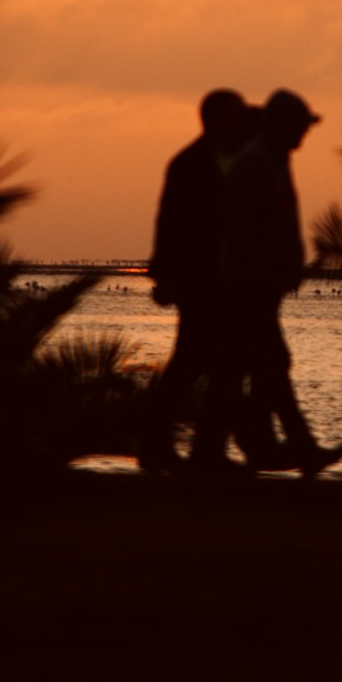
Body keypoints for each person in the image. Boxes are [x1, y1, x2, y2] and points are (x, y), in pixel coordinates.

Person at [219, 89, 342, 476]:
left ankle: (262, 446)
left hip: (261, 286)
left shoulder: (272, 161)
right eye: (298, 126)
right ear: (282, 126)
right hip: (249, 286)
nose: (303, 135)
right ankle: (295, 448)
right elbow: (248, 230)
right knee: (269, 363)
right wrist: (265, 271)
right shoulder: (257, 163)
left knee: (257, 366)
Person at [141, 88, 251, 472]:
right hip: (198, 279)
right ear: (217, 120)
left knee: (226, 365)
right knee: (191, 361)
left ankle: (207, 450)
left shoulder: (241, 158)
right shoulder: (190, 164)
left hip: (231, 278)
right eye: (236, 115)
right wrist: (166, 274)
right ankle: (158, 445)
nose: (243, 121)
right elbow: (169, 222)